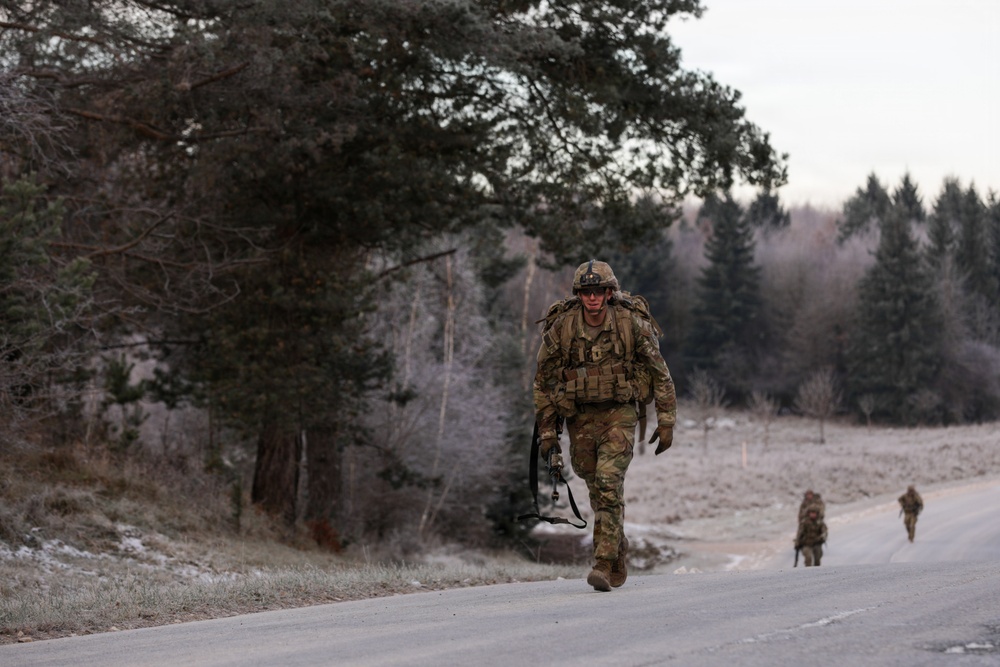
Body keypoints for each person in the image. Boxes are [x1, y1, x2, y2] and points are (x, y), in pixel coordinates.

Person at [533, 259, 676, 592]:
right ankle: (617, 546)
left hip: (619, 414)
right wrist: (547, 432)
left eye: (599, 291)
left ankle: (602, 562)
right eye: (587, 292)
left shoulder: (629, 324)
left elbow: (660, 372)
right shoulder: (564, 328)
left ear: (610, 293)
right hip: (580, 417)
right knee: (594, 485)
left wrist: (667, 419)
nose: (593, 297)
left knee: (608, 482)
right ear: (579, 295)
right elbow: (543, 381)